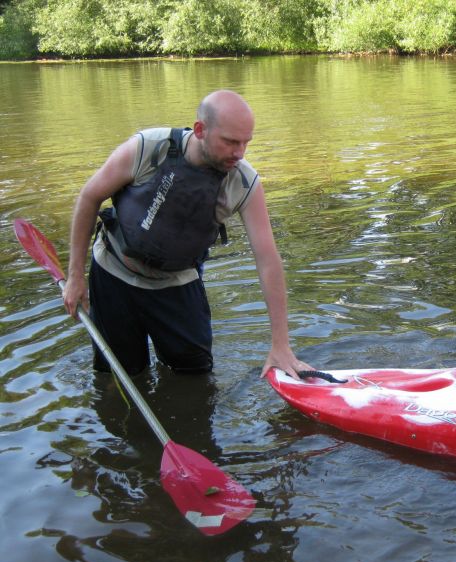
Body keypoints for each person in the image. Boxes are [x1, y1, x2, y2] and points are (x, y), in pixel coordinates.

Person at [62, 89, 311, 378]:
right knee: (120, 376)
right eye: (230, 142)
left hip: (177, 282)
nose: (240, 153)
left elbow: (267, 259)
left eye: (246, 142)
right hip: (114, 274)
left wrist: (281, 345)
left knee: (195, 376)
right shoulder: (147, 148)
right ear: (200, 130)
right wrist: (76, 276)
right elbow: (90, 197)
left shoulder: (244, 183)